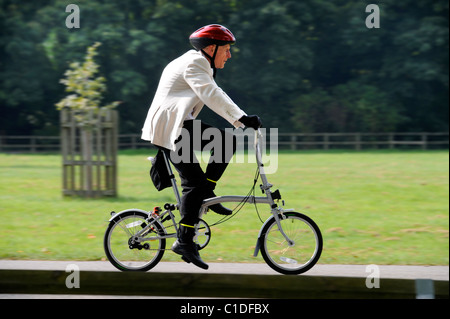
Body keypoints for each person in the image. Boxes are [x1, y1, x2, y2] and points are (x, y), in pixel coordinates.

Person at [141, 24, 262, 270]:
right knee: (193, 185)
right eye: (226, 49)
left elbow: (216, 92)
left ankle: (208, 192)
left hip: (181, 125)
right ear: (211, 47)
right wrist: (242, 118)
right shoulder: (195, 63)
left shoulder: (199, 63)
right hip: (172, 129)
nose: (229, 55)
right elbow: (210, 94)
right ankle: (185, 241)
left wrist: (240, 119)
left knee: (227, 141)